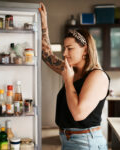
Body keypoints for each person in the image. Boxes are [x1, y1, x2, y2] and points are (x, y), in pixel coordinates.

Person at [39, 3, 110, 150]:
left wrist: (68, 81)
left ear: (85, 50)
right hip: (68, 140)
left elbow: (78, 114)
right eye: (65, 48)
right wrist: (44, 26)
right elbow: (47, 56)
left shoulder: (97, 75)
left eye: (69, 48)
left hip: (85, 142)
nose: (64, 53)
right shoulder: (72, 71)